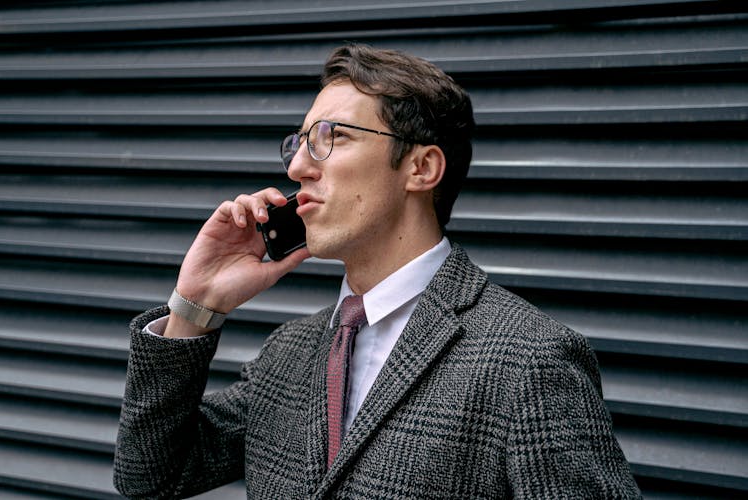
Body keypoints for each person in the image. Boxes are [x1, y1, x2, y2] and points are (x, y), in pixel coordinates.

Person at [113, 43, 640, 499]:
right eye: (298, 143)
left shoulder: (528, 361)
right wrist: (194, 306)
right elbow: (150, 477)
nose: (297, 167)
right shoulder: (287, 354)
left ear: (421, 168)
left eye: (331, 137)